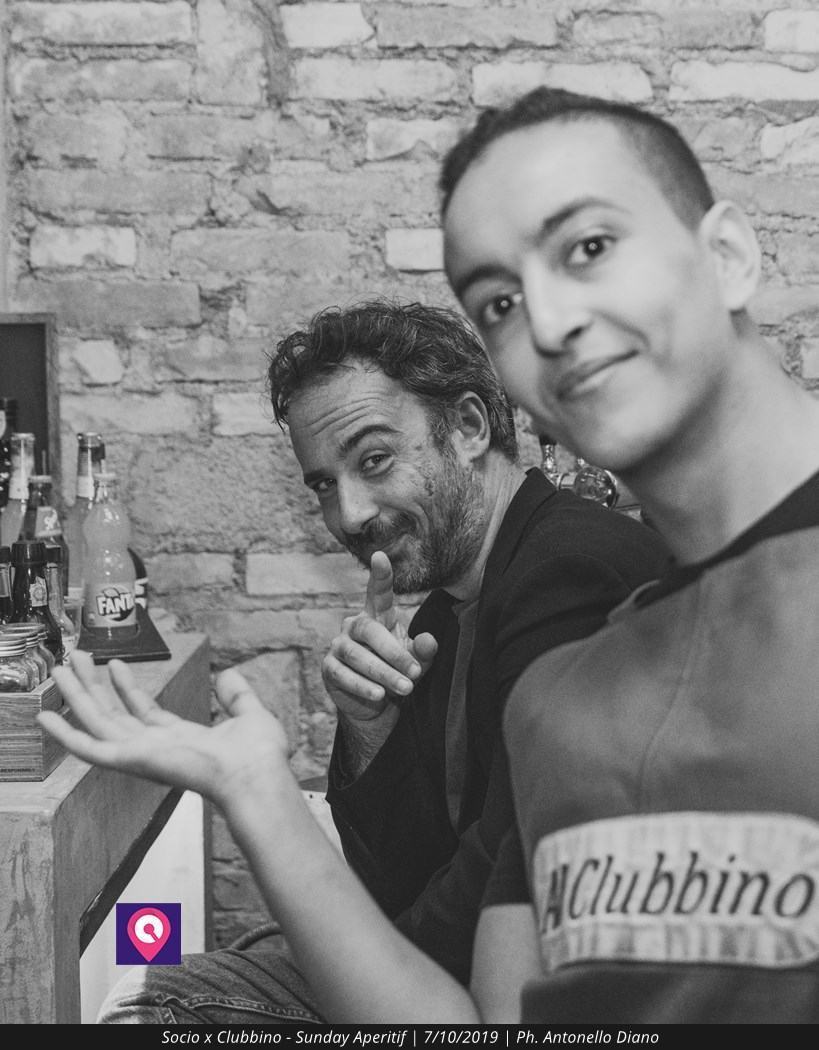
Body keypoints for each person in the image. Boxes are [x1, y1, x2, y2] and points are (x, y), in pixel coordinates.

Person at [41, 88, 819, 1022]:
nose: (548, 323)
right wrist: (256, 791)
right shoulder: (571, 695)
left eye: (588, 247)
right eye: (499, 302)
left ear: (727, 255)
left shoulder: (574, 581)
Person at [82, 299, 669, 1024]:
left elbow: (505, 893)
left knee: (154, 1003)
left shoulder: (570, 575)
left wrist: (340, 942)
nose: (350, 514)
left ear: (468, 427)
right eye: (324, 485)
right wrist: (368, 731)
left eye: (374, 461)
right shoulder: (446, 609)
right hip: (453, 968)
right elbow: (401, 874)